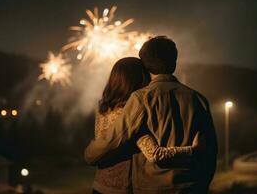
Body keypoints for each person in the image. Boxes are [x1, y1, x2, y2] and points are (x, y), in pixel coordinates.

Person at [85, 36, 218, 194]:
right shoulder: (199, 99)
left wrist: (89, 154)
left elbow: (112, 139)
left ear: (146, 65)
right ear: (174, 63)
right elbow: (211, 152)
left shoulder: (141, 98)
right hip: (191, 185)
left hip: (151, 187)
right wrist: (202, 185)